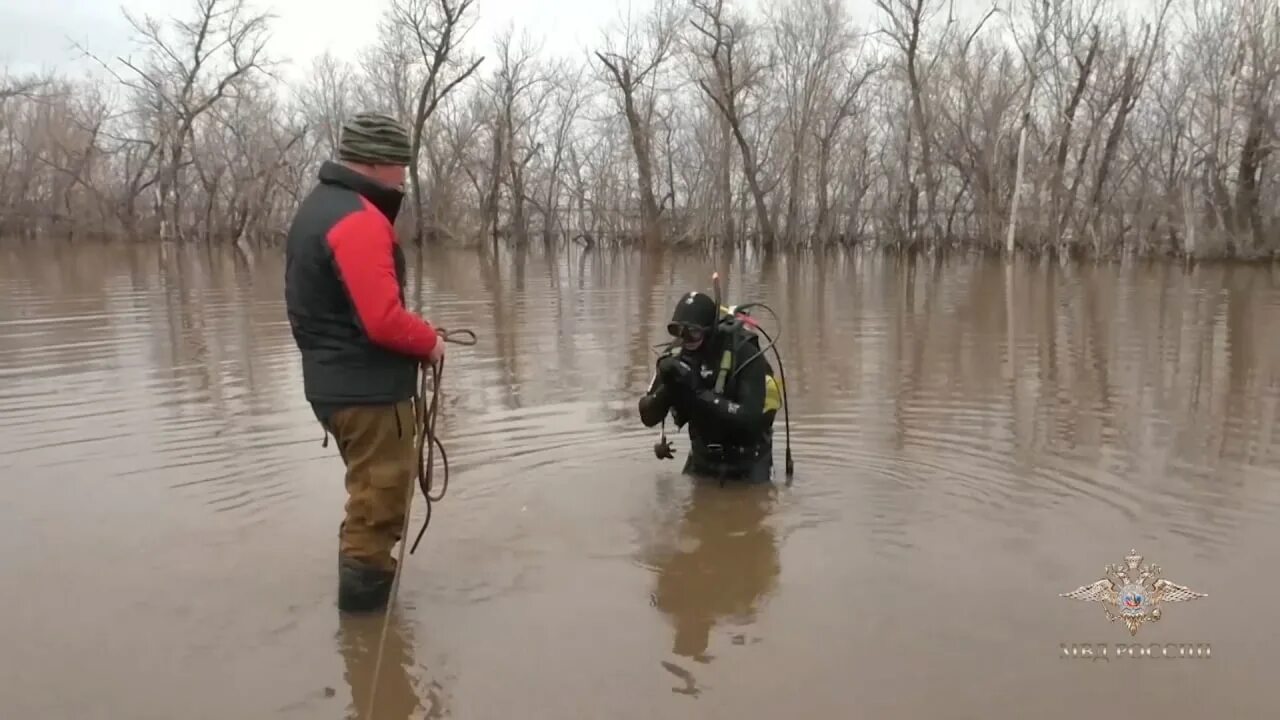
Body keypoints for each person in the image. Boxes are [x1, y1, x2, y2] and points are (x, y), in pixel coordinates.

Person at [284, 111, 445, 614]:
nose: (404, 177)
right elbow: (382, 320)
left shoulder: (319, 208)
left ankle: (368, 613)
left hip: (336, 385)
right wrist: (430, 342)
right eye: (401, 165)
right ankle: (366, 634)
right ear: (378, 162)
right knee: (378, 509)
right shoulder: (357, 218)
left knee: (369, 500)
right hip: (367, 394)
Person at [638, 290, 781, 483]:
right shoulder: (675, 355)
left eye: (694, 331)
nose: (686, 338)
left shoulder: (744, 353)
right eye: (678, 330)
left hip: (749, 459)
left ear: (709, 330)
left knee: (754, 508)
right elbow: (648, 417)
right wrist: (669, 386)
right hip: (703, 456)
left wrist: (699, 392)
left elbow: (751, 420)